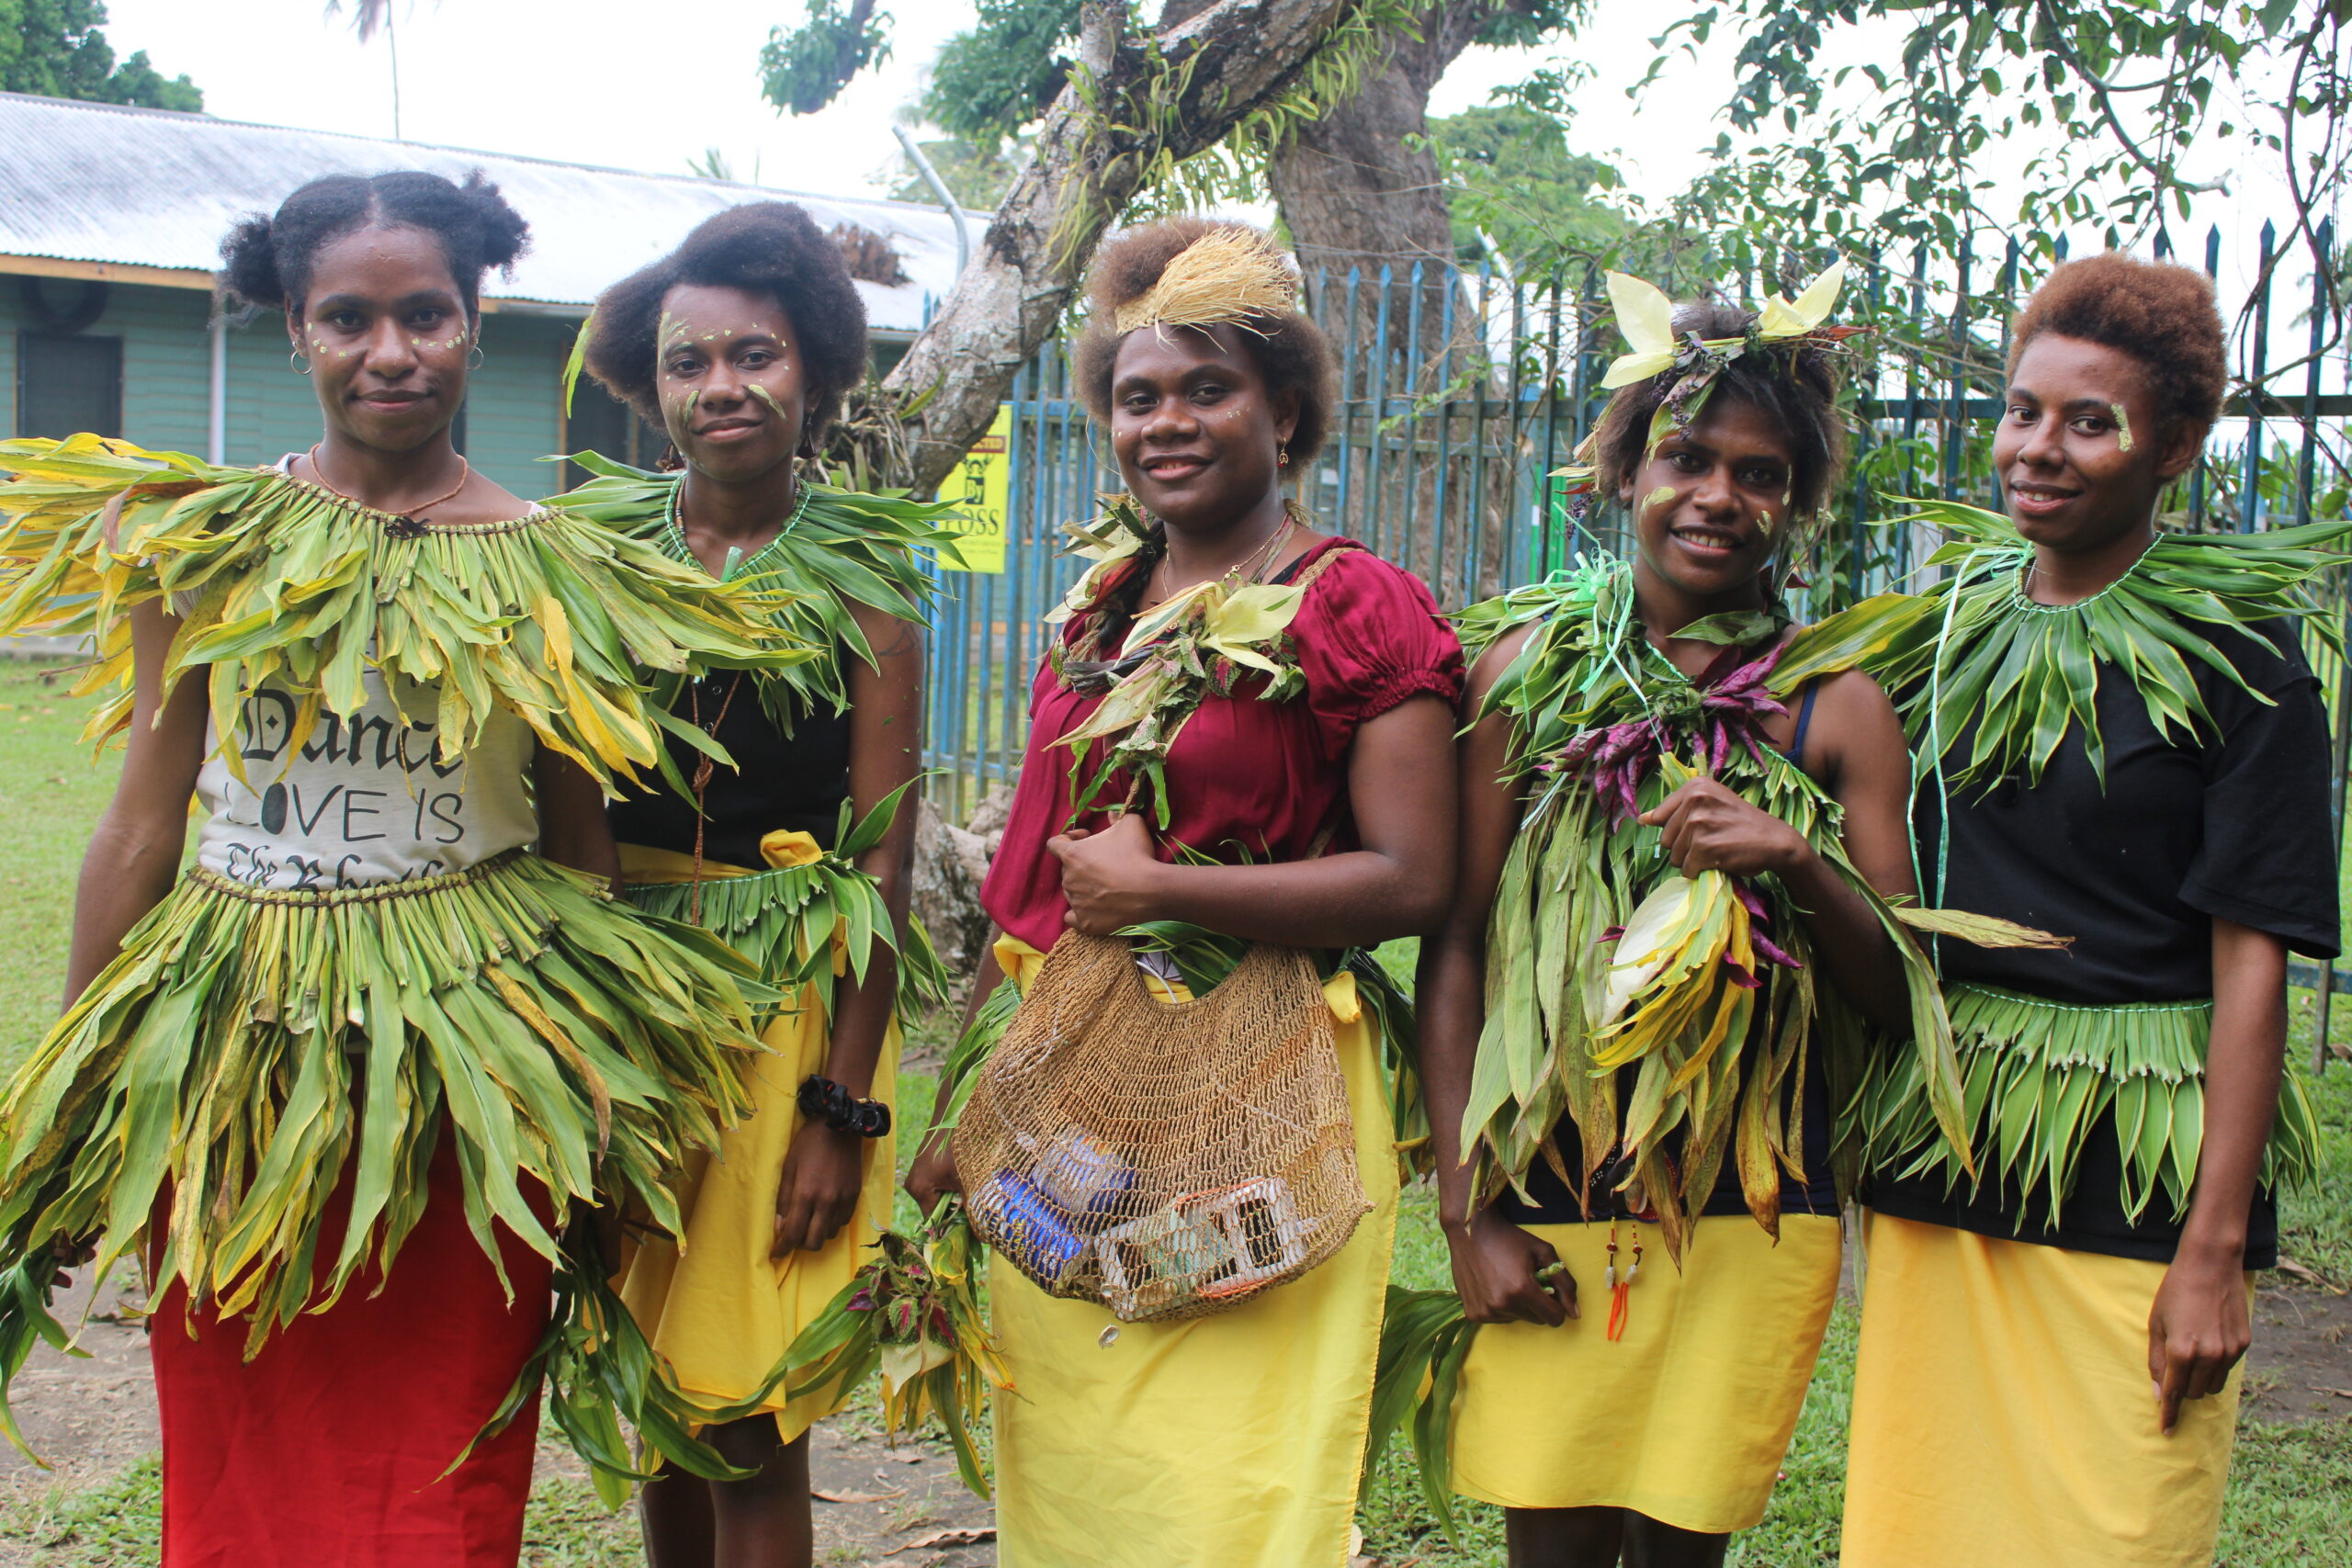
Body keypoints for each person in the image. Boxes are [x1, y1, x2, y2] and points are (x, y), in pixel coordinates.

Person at [0, 170, 799, 1568]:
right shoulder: (205, 538)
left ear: (475, 321)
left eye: (426, 314)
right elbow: (142, 821)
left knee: (438, 1470)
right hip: (235, 1049)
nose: (391, 352)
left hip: (469, 1067)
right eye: (349, 319)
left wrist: (599, 1086)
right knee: (240, 1447)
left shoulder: (550, 564)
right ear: (294, 329)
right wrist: (83, 1091)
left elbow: (579, 842)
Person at [903, 217, 1464, 1567]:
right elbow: (1035, 891)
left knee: (1232, 1477)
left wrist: (1170, 891)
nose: (1168, 422)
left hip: (1253, 1087)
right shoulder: (1099, 613)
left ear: (1285, 410)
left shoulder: (1356, 606)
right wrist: (957, 1119)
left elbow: (1414, 879)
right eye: (1138, 395)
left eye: (1208, 390)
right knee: (1079, 1454)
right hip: (1069, 1085)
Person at [1419, 272, 1978, 1567]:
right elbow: (1456, 949)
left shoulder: (1838, 706)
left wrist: (1798, 860)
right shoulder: (1524, 680)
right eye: (1685, 457)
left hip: (1753, 1199)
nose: (1720, 496)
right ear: (1623, 470)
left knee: (1683, 1552)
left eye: (1761, 472)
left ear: (1796, 501)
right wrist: (1466, 1213)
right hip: (1553, 1177)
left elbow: (1902, 1002)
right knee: (1551, 1549)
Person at [1842, 254, 2346, 1567]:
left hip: (2135, 1174)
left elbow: (2254, 966)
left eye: (2088, 421)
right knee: (1925, 1529)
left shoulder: (2243, 657)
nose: (2038, 450)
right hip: (1948, 1157)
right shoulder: (1939, 631)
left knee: (2119, 1531)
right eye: (2022, 412)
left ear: (2173, 446)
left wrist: (2215, 1253)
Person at [562, 201, 954, 1568]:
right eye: (689, 361)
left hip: (785, 1008)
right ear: (647, 381)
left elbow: (883, 857)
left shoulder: (865, 580)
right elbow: (562, 805)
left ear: (817, 373)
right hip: (623, 1002)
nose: (722, 387)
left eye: (757, 354)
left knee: (747, 1418)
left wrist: (840, 1109)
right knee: (650, 1398)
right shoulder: (594, 555)